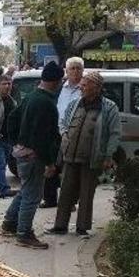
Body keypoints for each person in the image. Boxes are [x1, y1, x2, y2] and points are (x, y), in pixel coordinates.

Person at [46, 71, 120, 236]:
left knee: (87, 193)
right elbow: (64, 122)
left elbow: (115, 133)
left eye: (85, 85)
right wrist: (65, 135)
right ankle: (60, 225)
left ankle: (82, 227)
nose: (81, 87)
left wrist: (108, 155)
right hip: (70, 155)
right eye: (81, 84)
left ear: (96, 88)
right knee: (65, 191)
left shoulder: (109, 107)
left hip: (92, 157)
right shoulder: (75, 103)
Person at [2, 61, 63, 249]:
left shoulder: (31, 97)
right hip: (34, 155)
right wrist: (50, 162)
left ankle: (10, 222)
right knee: (33, 196)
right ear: (56, 81)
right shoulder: (47, 103)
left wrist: (15, 142)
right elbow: (45, 137)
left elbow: (12, 118)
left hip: (22, 151)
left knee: (26, 190)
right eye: (60, 81)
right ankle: (24, 233)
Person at [41, 57, 84, 208]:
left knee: (70, 170)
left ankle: (69, 201)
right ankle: (49, 199)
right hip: (55, 133)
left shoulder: (85, 89)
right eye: (72, 68)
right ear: (66, 71)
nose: (76, 71)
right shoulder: (59, 88)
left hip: (73, 135)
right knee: (52, 165)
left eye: (79, 68)